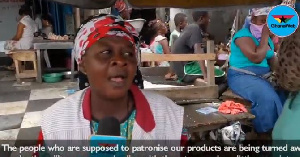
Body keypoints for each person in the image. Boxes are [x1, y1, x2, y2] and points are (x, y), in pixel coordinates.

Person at [35, 15, 185, 156]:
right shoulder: (54, 124)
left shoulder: (171, 117)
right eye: (106, 52)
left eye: (128, 53)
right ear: (83, 64)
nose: (120, 60)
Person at [228, 7, 287, 134]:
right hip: (241, 76)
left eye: (268, 23)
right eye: (262, 21)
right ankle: (265, 135)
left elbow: (273, 62)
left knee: (286, 92)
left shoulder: (269, 42)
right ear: (252, 19)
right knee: (267, 98)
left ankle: (282, 130)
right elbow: (257, 58)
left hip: (263, 77)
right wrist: (266, 34)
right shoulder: (242, 36)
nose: (265, 26)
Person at [171, 11, 210, 84]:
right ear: (201, 19)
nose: (209, 21)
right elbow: (198, 52)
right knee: (223, 76)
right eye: (208, 18)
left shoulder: (189, 28)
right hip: (187, 71)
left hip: (182, 71)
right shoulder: (195, 28)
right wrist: (206, 76)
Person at [0, 5, 38, 70]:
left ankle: (16, 61)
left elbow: (18, 37)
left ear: (21, 13)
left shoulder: (22, 22)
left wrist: (10, 40)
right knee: (8, 44)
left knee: (5, 45)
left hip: (24, 44)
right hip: (32, 43)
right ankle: (14, 64)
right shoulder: (33, 21)